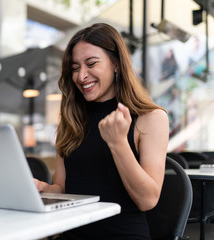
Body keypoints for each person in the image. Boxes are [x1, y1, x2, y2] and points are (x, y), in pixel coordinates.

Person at [34, 23, 169, 239]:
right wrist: (42, 188)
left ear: (116, 64)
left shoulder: (151, 118)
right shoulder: (70, 121)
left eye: (91, 64)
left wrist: (118, 143)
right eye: (75, 68)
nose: (81, 76)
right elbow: (64, 189)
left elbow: (148, 200)